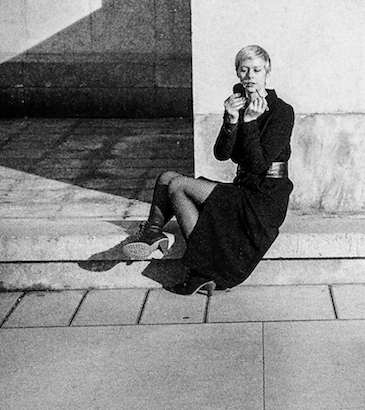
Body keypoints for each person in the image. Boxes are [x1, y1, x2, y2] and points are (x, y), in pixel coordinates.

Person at [123, 45, 294, 295]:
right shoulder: (240, 103)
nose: (249, 76)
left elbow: (258, 164)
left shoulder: (281, 111)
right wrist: (231, 119)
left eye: (256, 70)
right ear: (237, 72)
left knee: (178, 186)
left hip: (264, 199)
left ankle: (202, 272)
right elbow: (222, 154)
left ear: (267, 72)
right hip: (243, 189)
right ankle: (152, 234)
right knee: (166, 178)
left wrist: (249, 122)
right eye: (244, 70)